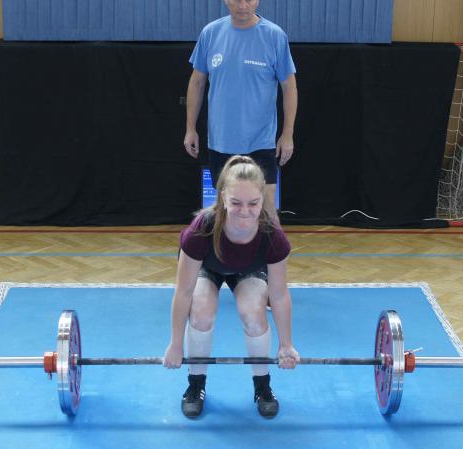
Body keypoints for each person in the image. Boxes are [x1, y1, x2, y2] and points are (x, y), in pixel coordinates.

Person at [163, 156, 300, 419]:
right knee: (201, 310)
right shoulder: (201, 230)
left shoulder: (273, 236)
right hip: (208, 267)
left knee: (253, 313)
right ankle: (195, 384)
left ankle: (262, 387)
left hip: (248, 269)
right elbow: (183, 292)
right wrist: (176, 344)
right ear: (223, 197)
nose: (245, 211)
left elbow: (279, 295)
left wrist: (286, 345)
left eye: (253, 203)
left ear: (263, 199)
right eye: (236, 203)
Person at [183, 0, 298, 222]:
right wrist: (190, 128)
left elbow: (289, 87)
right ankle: (223, 246)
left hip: (261, 141)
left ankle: (271, 246)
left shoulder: (274, 36)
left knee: (267, 214)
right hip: (221, 141)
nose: (243, 5)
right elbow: (196, 82)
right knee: (224, 213)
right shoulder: (211, 33)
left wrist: (287, 134)